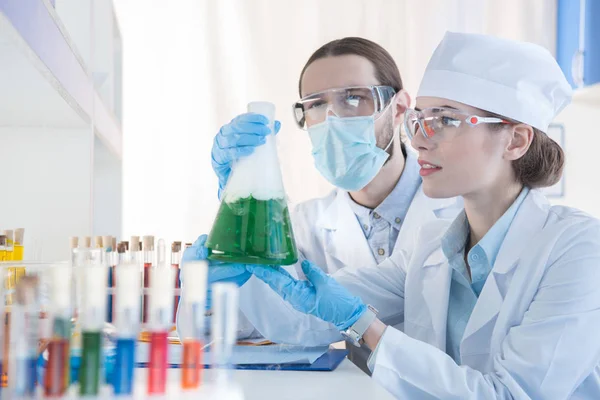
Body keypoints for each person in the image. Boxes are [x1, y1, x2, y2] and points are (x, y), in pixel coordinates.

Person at [195, 32, 600, 398]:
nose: (420, 140)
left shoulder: (579, 249)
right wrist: (241, 227)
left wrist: (364, 325)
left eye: (445, 120)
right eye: (420, 121)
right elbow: (301, 322)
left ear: (515, 139)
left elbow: (512, 395)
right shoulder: (432, 247)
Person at [181, 37, 461, 372]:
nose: (332, 118)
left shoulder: (460, 209)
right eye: (315, 104)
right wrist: (208, 294)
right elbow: (250, 328)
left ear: (399, 107)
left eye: (353, 97)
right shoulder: (304, 224)